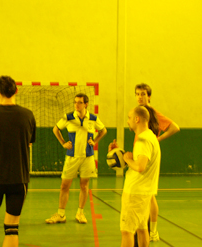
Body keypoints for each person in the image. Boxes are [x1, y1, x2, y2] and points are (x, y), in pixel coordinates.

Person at [0, 76, 36, 247]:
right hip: (19, 178)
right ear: (16, 90)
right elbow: (29, 142)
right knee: (12, 228)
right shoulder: (28, 115)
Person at [45, 93, 107, 224]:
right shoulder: (68, 117)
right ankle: (61, 214)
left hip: (87, 157)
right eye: (75, 102)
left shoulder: (93, 118)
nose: (76, 105)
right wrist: (63, 143)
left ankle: (80, 213)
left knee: (84, 186)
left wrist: (95, 141)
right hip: (72, 157)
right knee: (64, 186)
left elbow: (103, 131)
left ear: (86, 104)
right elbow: (55, 129)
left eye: (79, 102)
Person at [134, 83, 180, 242]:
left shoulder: (152, 113)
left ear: (149, 96)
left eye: (143, 94)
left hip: (149, 156)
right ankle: (144, 228)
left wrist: (158, 139)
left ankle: (153, 231)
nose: (140, 96)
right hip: (140, 155)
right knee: (144, 195)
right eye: (138, 94)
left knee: (150, 195)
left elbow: (174, 127)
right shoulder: (137, 113)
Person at [117, 106, 161, 247]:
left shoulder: (142, 140)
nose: (128, 121)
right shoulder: (151, 137)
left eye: (129, 118)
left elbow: (140, 166)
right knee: (142, 229)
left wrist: (128, 160)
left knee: (127, 231)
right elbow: (139, 163)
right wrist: (121, 155)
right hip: (144, 193)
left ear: (137, 119)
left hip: (135, 193)